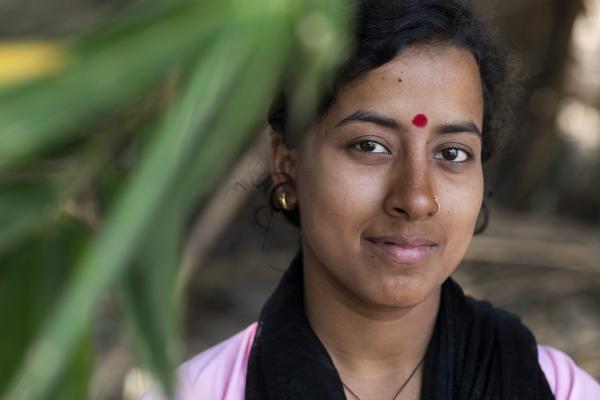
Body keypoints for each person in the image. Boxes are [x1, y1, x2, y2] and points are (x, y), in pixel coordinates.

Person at [142, 0, 600, 399]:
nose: (416, 198)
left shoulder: (556, 389)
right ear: (287, 163)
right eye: (370, 146)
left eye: (453, 153)